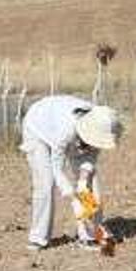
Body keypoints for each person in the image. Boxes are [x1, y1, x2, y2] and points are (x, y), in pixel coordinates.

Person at [20, 96, 122, 251]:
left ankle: (89, 236)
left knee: (89, 184)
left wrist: (82, 182)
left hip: (68, 130)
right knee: (45, 184)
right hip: (38, 127)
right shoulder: (65, 131)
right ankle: (38, 238)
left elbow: (90, 158)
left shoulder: (101, 124)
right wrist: (74, 200)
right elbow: (57, 168)